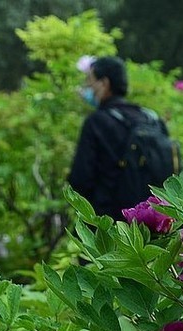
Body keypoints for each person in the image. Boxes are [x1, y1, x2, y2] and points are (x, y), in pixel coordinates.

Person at [68, 56, 173, 220]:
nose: (87, 87)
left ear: (104, 83)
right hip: (152, 222)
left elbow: (80, 179)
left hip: (109, 223)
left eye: (91, 81)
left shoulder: (97, 122)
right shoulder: (151, 118)